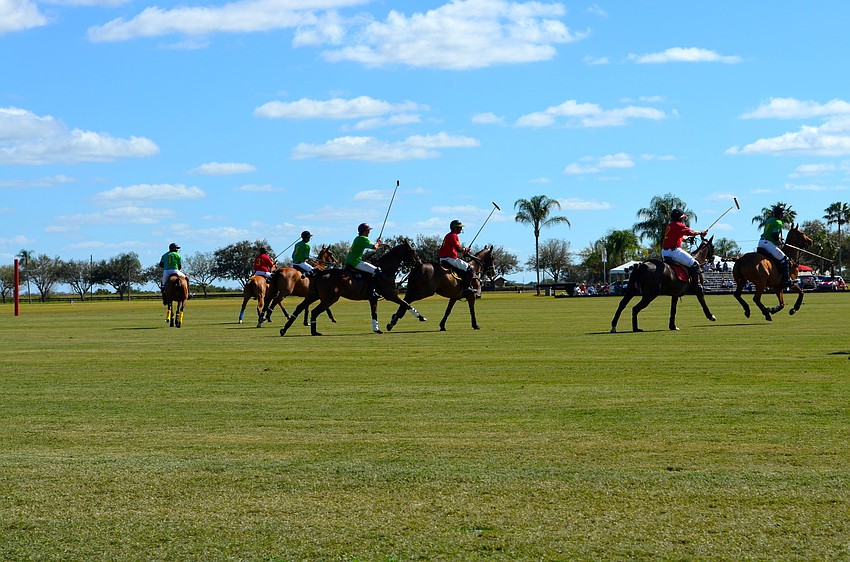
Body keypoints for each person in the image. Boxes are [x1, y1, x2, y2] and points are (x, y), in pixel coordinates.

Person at [661, 209, 708, 293]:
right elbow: (691, 232)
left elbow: (677, 237)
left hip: (664, 252)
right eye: (682, 217)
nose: (683, 219)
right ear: (680, 218)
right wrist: (701, 232)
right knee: (695, 264)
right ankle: (697, 286)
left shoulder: (670, 225)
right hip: (674, 251)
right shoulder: (679, 225)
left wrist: (687, 239)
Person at [345, 223, 389, 296]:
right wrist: (378, 242)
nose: (369, 232)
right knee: (377, 271)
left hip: (350, 261)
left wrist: (384, 245)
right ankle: (372, 291)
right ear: (364, 231)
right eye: (368, 231)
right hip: (355, 262)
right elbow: (374, 247)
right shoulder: (363, 239)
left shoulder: (358, 238)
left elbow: (374, 246)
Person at [758, 204, 792, 287]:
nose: (783, 215)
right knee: (785, 259)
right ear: (780, 214)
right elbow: (775, 234)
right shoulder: (778, 222)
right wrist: (778, 241)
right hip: (768, 243)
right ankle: (786, 280)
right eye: (783, 214)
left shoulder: (769, 220)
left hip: (761, 243)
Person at [438, 219, 475, 293]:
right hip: (450, 258)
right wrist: (465, 250)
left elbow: (454, 249)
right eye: (459, 227)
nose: (461, 229)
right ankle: (466, 288)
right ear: (455, 228)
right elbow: (458, 249)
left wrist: (463, 251)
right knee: (470, 268)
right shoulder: (454, 236)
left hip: (442, 258)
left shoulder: (448, 235)